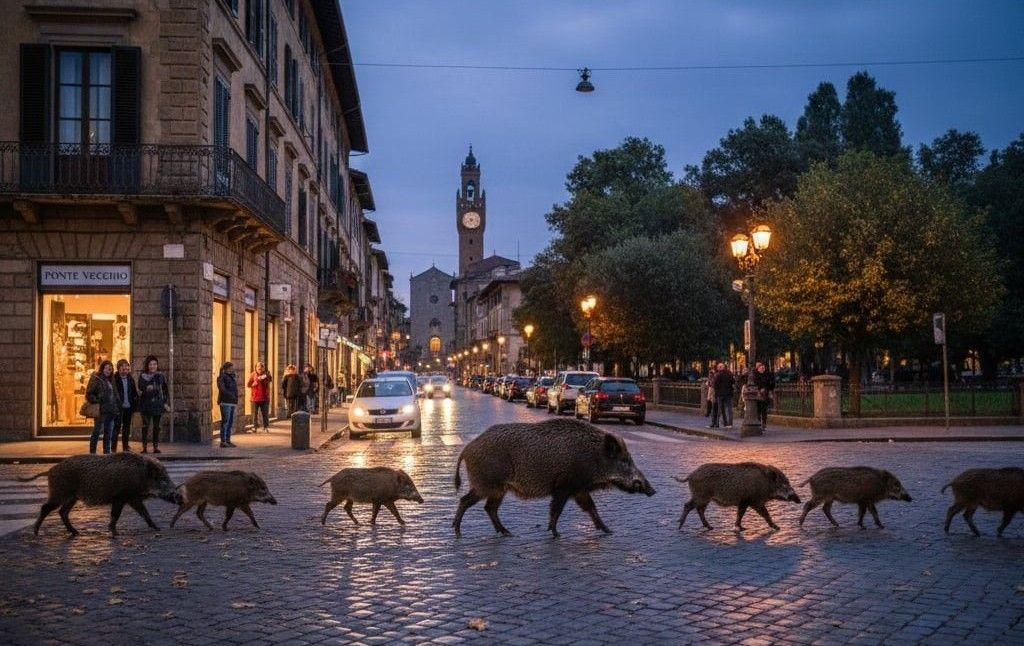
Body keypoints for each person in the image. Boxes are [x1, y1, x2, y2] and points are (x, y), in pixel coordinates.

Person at [86, 360, 120, 454]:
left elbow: (115, 394)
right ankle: (92, 453)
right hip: (101, 410)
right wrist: (98, 401)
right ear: (102, 368)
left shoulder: (112, 379)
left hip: (111, 410)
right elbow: (89, 394)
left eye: (110, 369)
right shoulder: (96, 378)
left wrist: (116, 407)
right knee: (97, 432)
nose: (108, 370)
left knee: (108, 433)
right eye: (107, 368)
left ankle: (107, 453)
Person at [137, 355, 169, 454]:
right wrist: (147, 388)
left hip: (157, 404)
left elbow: (165, 390)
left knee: (156, 427)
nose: (152, 366)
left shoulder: (160, 376)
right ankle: (144, 447)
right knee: (145, 426)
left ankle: (155, 447)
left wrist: (165, 402)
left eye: (154, 364)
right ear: (147, 365)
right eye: (150, 364)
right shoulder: (143, 376)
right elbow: (140, 387)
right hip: (146, 404)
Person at [112, 359, 139, 452]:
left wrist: (135, 404)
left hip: (128, 407)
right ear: (118, 368)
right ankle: (113, 447)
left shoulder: (130, 378)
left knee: (126, 428)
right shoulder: (114, 378)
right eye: (123, 368)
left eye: (127, 368)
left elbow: (134, 392)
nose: (125, 370)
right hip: (118, 407)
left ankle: (125, 446)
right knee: (116, 427)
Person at [217, 362, 239, 448]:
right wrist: (231, 395)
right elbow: (222, 389)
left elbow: (235, 389)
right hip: (225, 402)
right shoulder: (222, 377)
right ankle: (223, 441)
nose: (233, 369)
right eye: (231, 367)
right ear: (227, 368)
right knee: (225, 421)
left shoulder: (232, 377)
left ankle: (228, 440)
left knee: (230, 422)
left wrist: (235, 398)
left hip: (232, 402)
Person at [247, 361, 273, 432]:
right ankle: (255, 427)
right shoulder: (253, 374)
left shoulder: (267, 374)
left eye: (261, 366)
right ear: (256, 368)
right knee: (254, 414)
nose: (260, 368)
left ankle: (265, 427)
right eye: (258, 366)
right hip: (255, 397)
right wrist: (253, 384)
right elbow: (248, 384)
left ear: (264, 368)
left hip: (265, 397)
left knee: (265, 413)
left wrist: (266, 376)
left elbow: (270, 379)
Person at [709, 362, 736, 429]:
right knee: (729, 409)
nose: (717, 368)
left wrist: (716, 393)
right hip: (729, 393)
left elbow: (715, 384)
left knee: (720, 409)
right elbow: (733, 381)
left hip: (720, 394)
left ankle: (717, 423)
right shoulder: (730, 374)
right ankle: (730, 423)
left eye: (718, 367)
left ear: (720, 368)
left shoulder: (717, 375)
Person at [753, 361, 776, 428]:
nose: (762, 369)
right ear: (758, 368)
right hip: (758, 394)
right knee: (758, 410)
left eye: (763, 368)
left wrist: (767, 389)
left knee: (764, 410)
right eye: (761, 368)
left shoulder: (767, 375)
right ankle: (759, 422)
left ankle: (764, 423)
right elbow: (755, 383)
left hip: (765, 394)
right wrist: (759, 389)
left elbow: (771, 384)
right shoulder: (756, 375)